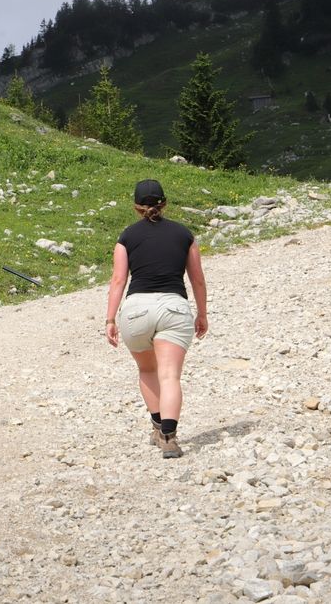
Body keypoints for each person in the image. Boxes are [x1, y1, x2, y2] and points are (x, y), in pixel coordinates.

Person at [105, 179, 208, 458]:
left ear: (136, 206)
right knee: (170, 375)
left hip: (136, 309)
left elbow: (118, 280)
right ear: (164, 203)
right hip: (174, 308)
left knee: (148, 371)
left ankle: (155, 424)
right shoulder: (184, 234)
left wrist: (110, 319)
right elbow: (197, 279)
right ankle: (169, 437)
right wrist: (202, 314)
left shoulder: (126, 237)